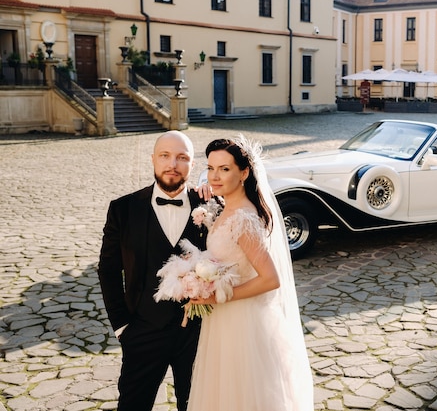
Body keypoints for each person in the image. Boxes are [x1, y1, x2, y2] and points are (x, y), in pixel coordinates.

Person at [187, 137, 313, 411]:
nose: (215, 176)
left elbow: (271, 279)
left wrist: (217, 297)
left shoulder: (243, 218)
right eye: (210, 168)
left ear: (244, 173)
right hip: (226, 318)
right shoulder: (227, 209)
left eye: (224, 169)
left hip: (244, 321)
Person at [98, 130, 208, 411]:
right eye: (165, 155)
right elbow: (108, 271)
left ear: (192, 165)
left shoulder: (210, 207)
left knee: (198, 405)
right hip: (142, 330)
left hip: (200, 333)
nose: (173, 164)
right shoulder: (122, 209)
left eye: (182, 157)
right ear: (153, 160)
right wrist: (122, 326)